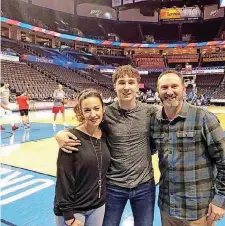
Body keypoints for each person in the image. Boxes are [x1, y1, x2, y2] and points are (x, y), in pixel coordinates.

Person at [55, 65, 157, 226]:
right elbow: (86, 127)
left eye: (131, 82)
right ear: (114, 86)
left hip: (144, 186)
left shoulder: (150, 112)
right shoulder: (105, 113)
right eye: (121, 82)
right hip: (113, 187)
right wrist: (60, 134)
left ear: (138, 85)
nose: (126, 87)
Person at [150, 70, 225, 226]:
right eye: (164, 87)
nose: (169, 92)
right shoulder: (155, 121)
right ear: (157, 91)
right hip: (167, 207)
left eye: (174, 86)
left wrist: (221, 199)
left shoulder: (203, 118)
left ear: (184, 89)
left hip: (198, 209)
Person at [54, 89, 111, 226]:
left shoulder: (105, 135)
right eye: (87, 110)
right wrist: (68, 216)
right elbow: (63, 179)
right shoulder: (71, 138)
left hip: (97, 207)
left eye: (97, 108)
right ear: (81, 112)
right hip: (74, 211)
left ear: (103, 109)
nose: (93, 114)